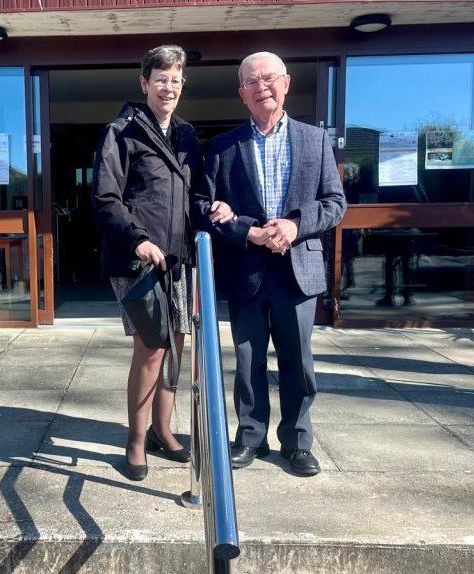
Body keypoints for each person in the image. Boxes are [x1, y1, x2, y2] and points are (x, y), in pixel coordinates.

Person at [192, 51, 347, 476]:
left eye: (269, 78)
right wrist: (248, 231)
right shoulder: (222, 147)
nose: (262, 87)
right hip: (246, 271)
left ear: (286, 83)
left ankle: (297, 441)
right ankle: (250, 437)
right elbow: (202, 207)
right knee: (247, 362)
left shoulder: (315, 140)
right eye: (251, 82)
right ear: (241, 94)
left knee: (298, 361)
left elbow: (335, 203)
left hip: (297, 271)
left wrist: (295, 226)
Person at [92, 45, 234, 481]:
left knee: (176, 345)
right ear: (144, 83)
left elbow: (195, 195)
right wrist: (137, 240)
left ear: (182, 84)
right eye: (160, 79)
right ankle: (136, 440)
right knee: (151, 347)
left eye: (175, 80)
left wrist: (217, 206)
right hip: (137, 260)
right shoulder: (121, 132)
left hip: (178, 259)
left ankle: (162, 429)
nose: (168, 87)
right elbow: (105, 198)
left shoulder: (186, 135)